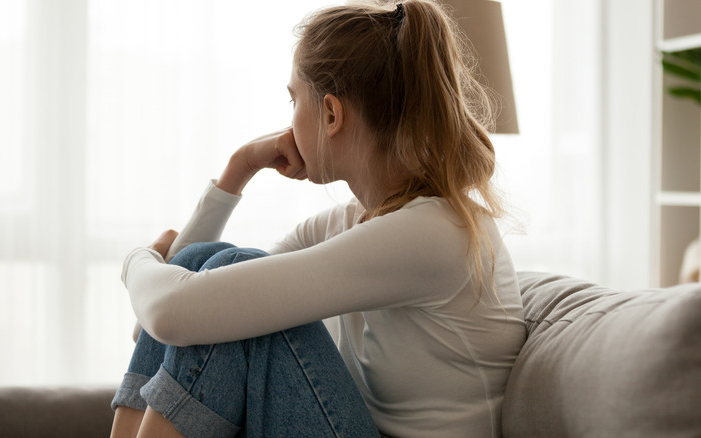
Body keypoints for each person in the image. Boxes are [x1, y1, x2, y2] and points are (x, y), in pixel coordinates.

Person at [110, 1, 525, 437]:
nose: (288, 122)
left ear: (331, 114)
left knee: (232, 269)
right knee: (216, 266)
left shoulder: (434, 232)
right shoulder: (350, 223)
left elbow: (170, 312)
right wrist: (238, 169)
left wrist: (137, 260)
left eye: (294, 100)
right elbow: (165, 326)